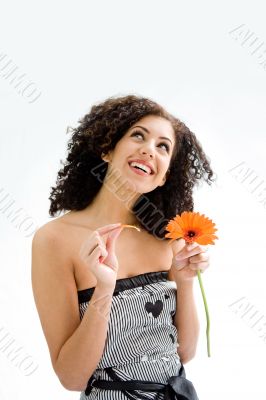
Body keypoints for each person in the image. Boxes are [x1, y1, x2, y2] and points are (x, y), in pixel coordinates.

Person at [31, 94, 216, 399]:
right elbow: (72, 377)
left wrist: (185, 283)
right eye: (138, 136)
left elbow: (184, 352)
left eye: (163, 146)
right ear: (107, 149)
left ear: (164, 176)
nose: (148, 149)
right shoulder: (54, 240)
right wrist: (103, 289)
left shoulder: (168, 238)